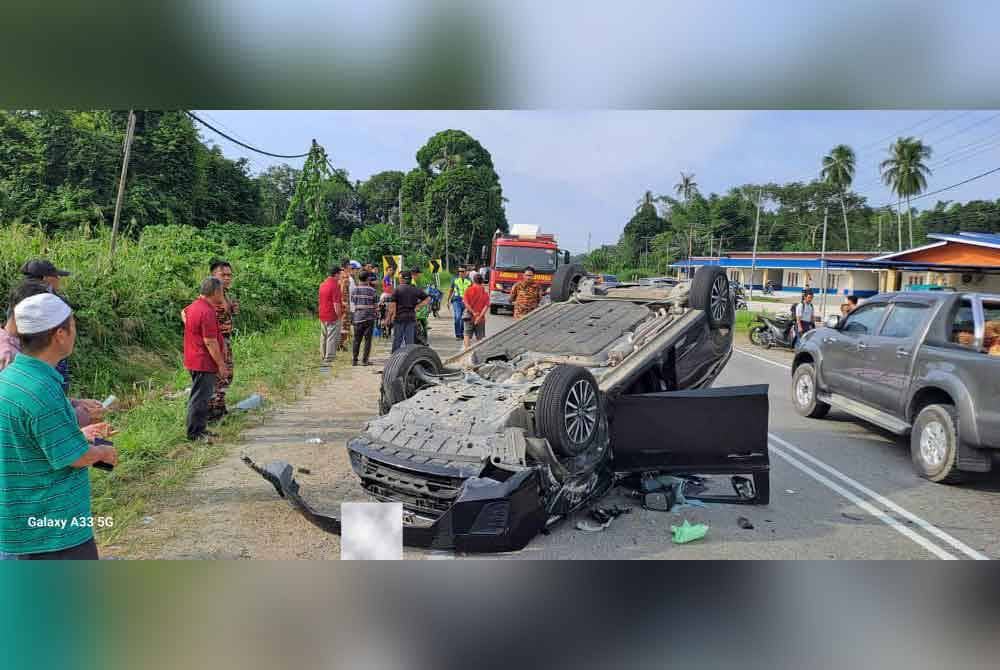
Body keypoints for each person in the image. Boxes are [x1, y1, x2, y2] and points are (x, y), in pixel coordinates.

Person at [0, 293, 117, 560]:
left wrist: (80, 436)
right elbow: (75, 457)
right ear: (60, 334)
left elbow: (34, 443)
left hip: (16, 526)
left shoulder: (12, 378)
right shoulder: (42, 390)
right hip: (53, 534)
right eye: (73, 326)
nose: (75, 332)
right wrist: (101, 453)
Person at [0, 280, 104, 427]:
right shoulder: (10, 357)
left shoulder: (15, 349)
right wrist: (84, 416)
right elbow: (38, 416)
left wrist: (74, 402)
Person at [183, 278, 228, 442]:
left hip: (195, 358)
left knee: (201, 397)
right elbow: (210, 341)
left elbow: (185, 315)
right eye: (221, 291)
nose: (223, 294)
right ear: (216, 292)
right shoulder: (206, 311)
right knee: (200, 398)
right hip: (203, 361)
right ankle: (195, 433)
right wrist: (221, 364)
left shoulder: (194, 307)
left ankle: (200, 429)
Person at [20, 258, 72, 392]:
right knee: (53, 392)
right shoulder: (46, 299)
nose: (59, 279)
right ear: (45, 278)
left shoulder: (19, 295)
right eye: (56, 276)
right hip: (47, 354)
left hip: (27, 357)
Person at [208, 261, 237, 421]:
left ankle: (219, 407)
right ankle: (213, 414)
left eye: (229, 275)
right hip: (214, 341)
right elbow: (187, 312)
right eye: (223, 275)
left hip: (226, 340)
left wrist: (231, 308)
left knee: (227, 375)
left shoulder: (225, 294)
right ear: (213, 276)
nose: (227, 278)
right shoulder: (209, 296)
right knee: (217, 376)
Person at [387, 271, 429, 352]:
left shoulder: (397, 290)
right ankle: (408, 358)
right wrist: (417, 307)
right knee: (409, 341)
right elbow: (428, 298)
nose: (399, 280)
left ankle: (394, 358)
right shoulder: (415, 289)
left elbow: (392, 306)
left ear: (403, 279)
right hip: (411, 318)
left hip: (399, 318)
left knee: (397, 340)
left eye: (400, 278)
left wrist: (389, 318)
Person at [350, 271, 378, 366]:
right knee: (367, 340)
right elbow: (375, 305)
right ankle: (365, 360)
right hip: (369, 318)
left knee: (356, 340)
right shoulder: (372, 291)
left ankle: (354, 360)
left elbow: (353, 302)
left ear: (359, 279)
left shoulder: (355, 290)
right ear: (368, 279)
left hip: (358, 317)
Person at [319, 266, 344, 363]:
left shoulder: (322, 284)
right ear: (336, 274)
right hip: (332, 315)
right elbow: (336, 303)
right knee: (331, 337)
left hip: (322, 314)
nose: (341, 276)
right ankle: (329, 358)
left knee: (324, 336)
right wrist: (339, 316)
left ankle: (323, 355)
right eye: (340, 274)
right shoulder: (335, 285)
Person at [461, 273, 489, 349]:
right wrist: (479, 317)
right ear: (482, 282)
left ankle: (466, 352)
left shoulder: (468, 290)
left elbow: (466, 304)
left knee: (467, 335)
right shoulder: (485, 293)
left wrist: (473, 313)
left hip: (469, 317)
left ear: (473, 281)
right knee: (480, 337)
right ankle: (480, 353)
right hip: (480, 319)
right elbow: (486, 306)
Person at [448, 266, 472, 340]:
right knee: (458, 317)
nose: (461, 273)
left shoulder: (469, 281)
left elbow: (472, 292)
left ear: (466, 272)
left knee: (463, 318)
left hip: (466, 301)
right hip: (456, 300)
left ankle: (461, 334)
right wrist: (448, 300)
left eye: (462, 271)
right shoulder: (455, 280)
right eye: (459, 271)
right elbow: (451, 290)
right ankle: (458, 334)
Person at [339, 259, 353, 351]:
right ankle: (341, 344)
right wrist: (343, 301)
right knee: (344, 323)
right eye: (349, 265)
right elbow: (342, 288)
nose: (351, 267)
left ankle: (340, 343)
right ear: (346, 266)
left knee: (342, 323)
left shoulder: (339, 275)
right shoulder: (345, 276)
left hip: (342, 301)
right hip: (344, 302)